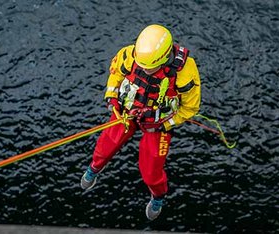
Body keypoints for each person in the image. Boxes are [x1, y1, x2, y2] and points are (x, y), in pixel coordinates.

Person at [81, 24, 201, 220]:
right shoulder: (130, 55)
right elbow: (115, 74)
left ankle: (158, 196)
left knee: (151, 170)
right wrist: (112, 97)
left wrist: (166, 125)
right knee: (106, 144)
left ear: (163, 60)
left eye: (149, 67)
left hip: (158, 124)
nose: (144, 69)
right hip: (127, 112)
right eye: (142, 65)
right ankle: (95, 167)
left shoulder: (185, 74)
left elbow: (190, 108)